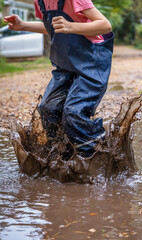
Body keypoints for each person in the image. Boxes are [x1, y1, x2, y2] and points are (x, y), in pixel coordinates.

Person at [4, 0, 114, 158]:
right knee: (48, 108)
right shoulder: (40, 2)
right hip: (65, 66)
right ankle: (63, 154)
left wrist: (72, 26)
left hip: (91, 64)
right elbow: (52, 26)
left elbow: (105, 25)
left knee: (73, 112)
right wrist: (23, 26)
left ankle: (96, 156)